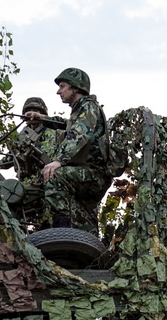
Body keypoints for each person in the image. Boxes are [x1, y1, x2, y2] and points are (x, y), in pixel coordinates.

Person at [23, 68, 111, 232]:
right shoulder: (80, 111)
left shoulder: (88, 107)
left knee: (54, 176)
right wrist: (41, 118)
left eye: (62, 86)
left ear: (75, 88)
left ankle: (61, 235)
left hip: (94, 173)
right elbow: (67, 125)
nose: (58, 91)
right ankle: (89, 248)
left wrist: (58, 161)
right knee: (83, 219)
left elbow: (78, 134)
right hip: (87, 174)